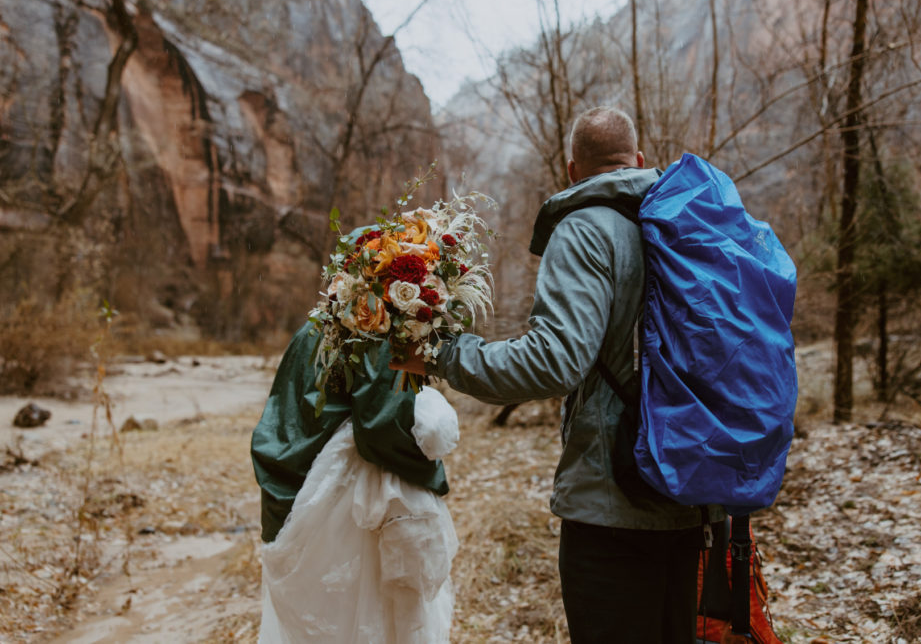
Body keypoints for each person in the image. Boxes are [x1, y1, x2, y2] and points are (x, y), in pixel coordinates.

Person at [394, 106, 724, 643]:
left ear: (572, 171)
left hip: (613, 504)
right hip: (688, 493)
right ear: (638, 162)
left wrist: (442, 355)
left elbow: (553, 361)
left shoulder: (586, 228)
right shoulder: (680, 224)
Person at [252, 321, 460, 643]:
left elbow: (287, 412)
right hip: (346, 506)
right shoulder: (379, 333)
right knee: (358, 617)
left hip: (306, 495)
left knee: (324, 618)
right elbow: (382, 426)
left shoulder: (309, 330)